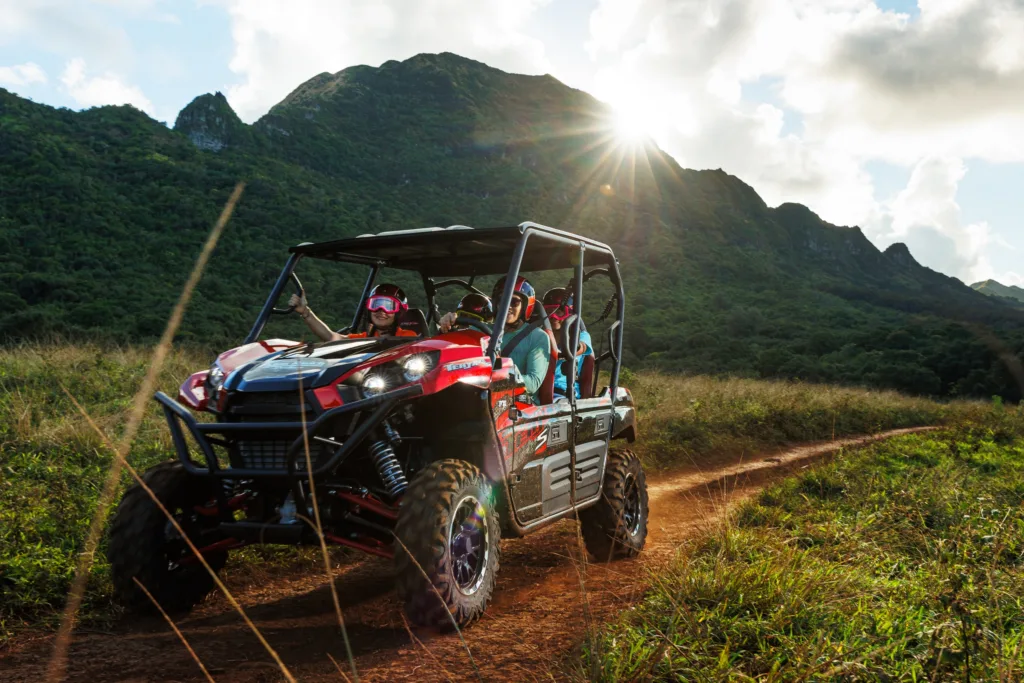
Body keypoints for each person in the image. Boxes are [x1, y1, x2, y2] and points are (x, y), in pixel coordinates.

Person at [439, 276, 550, 404]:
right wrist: (447, 327)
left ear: (525, 306)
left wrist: (499, 377)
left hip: (518, 405)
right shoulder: (481, 330)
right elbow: (454, 353)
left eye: (514, 302)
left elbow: (533, 383)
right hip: (480, 399)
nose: (508, 306)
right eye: (503, 300)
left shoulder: (537, 337)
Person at [289, 283, 419, 342]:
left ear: (398, 312)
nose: (381, 311)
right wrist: (305, 312)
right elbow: (331, 337)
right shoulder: (364, 339)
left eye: (388, 306)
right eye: (376, 304)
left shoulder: (408, 337)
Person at [543, 288, 593, 400]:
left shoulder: (581, 335)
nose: (554, 317)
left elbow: (581, 348)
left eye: (559, 312)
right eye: (550, 311)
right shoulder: (540, 334)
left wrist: (572, 349)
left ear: (570, 313)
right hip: (537, 388)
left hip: (561, 392)